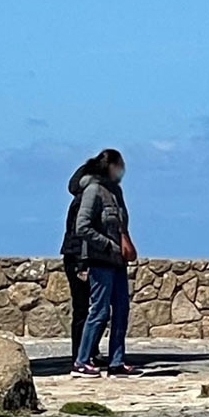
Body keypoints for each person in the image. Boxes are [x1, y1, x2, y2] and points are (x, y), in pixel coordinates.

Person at [72, 149, 138, 378]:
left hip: (118, 261)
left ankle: (117, 361)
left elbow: (121, 224)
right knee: (98, 311)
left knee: (122, 310)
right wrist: (107, 245)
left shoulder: (116, 192)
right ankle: (82, 360)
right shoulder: (93, 191)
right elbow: (82, 227)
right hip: (100, 259)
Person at [61, 160, 106, 366]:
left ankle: (88, 351)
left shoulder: (84, 197)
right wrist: (82, 265)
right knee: (84, 310)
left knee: (92, 309)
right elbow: (80, 233)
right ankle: (82, 354)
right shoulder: (86, 200)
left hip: (80, 257)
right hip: (79, 259)